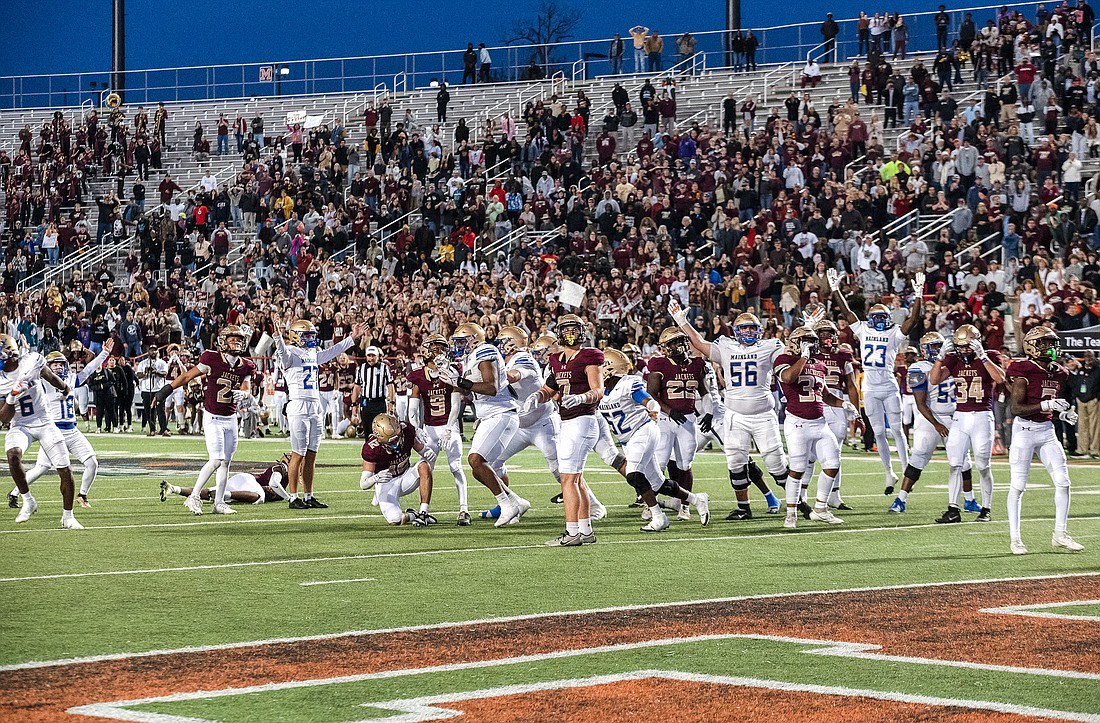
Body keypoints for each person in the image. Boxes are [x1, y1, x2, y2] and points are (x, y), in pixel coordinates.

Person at [669, 302, 787, 520]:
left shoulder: (770, 346)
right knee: (734, 462)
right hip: (730, 416)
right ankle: (742, 507)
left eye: (752, 328)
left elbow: (789, 357)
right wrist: (682, 322)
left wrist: (807, 331)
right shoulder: (726, 346)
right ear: (735, 331)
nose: (748, 332)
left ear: (759, 330)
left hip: (754, 414)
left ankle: (795, 501)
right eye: (744, 328)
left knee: (775, 463)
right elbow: (699, 342)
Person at [828, 268, 922, 494]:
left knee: (897, 430)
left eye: (882, 317)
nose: (879, 320)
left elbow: (912, 319)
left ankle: (905, 468)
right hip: (870, 387)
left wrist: (918, 295)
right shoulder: (862, 329)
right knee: (879, 432)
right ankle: (889, 472)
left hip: (888, 386)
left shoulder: (894, 332)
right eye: (876, 317)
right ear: (870, 318)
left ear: (888, 318)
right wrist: (835, 289)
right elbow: (846, 311)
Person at [598, 348, 709, 532]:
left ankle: (659, 517)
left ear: (609, 369)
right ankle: (697, 499)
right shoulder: (601, 390)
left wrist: (654, 410)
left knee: (634, 474)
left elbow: (649, 400)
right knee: (659, 483)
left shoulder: (627, 384)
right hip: (628, 441)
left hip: (643, 431)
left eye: (600, 366)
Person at [153, 326, 255, 515]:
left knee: (226, 463)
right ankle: (193, 497)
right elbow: (187, 376)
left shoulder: (246, 365)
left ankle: (219, 503)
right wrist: (165, 391)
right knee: (216, 460)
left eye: (239, 339)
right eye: (232, 339)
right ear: (223, 341)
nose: (237, 342)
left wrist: (245, 394)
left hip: (231, 418)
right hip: (213, 417)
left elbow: (247, 388)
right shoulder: (211, 359)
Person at [439, 323, 530, 527]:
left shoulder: (485, 351)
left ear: (474, 340)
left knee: (475, 460)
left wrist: (460, 382)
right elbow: (472, 392)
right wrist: (454, 381)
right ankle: (516, 501)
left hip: (501, 413)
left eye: (462, 341)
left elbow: (491, 387)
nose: (458, 346)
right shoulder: (469, 358)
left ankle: (506, 505)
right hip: (492, 415)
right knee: (478, 467)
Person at [526, 314, 604, 545]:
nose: (570, 333)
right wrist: (536, 397)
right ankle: (585, 531)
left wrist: (581, 398)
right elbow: (549, 389)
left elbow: (599, 390)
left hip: (583, 420)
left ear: (582, 332)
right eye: (566, 329)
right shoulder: (557, 359)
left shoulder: (590, 356)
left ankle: (572, 533)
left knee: (568, 480)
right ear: (559, 333)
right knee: (577, 480)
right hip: (567, 422)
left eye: (574, 329)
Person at [273, 319, 366, 510]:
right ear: (295, 336)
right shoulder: (289, 352)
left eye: (311, 335)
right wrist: (277, 336)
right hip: (298, 405)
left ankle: (309, 496)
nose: (310, 338)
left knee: (311, 455)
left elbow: (333, 351)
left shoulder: (312, 353)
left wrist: (352, 338)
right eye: (306, 335)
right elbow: (282, 352)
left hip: (315, 406)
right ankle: (293, 497)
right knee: (298, 454)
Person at [1006, 327, 1084, 554]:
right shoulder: (1023, 369)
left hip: (1047, 431)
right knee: (1018, 486)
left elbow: (1053, 407)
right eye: (1044, 343)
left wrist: (1064, 414)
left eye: (1052, 343)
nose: (1050, 348)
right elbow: (1016, 408)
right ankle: (1015, 538)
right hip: (1024, 430)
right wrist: (1047, 404)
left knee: (1063, 482)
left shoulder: (1059, 372)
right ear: (1031, 346)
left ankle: (1060, 534)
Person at [8, 342, 111, 510]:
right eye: (54, 365)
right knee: (42, 467)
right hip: (53, 431)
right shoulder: (43, 383)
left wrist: (104, 353)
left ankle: (82, 495)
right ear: (47, 367)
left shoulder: (71, 379)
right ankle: (14, 492)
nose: (58, 367)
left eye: (60, 364)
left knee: (92, 463)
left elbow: (89, 369)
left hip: (72, 430)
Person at [774, 327, 859, 528]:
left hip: (820, 423)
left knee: (832, 464)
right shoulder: (783, 360)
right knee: (797, 469)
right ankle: (791, 514)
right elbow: (788, 378)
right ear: (796, 343)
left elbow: (825, 395)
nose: (811, 345)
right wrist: (803, 357)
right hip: (797, 422)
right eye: (806, 341)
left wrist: (844, 404)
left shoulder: (819, 365)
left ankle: (821, 509)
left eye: (813, 341)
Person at [0, 334, 82, 529]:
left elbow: (49, 376)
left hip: (44, 421)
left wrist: (65, 388)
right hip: (20, 424)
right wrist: (12, 396)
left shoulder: (31, 361)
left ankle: (68, 516)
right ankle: (28, 501)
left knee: (64, 468)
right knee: (13, 455)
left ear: (9, 353)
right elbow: (4, 418)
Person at [889, 332, 976, 514]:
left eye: (940, 345)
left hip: (955, 417)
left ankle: (969, 500)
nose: (938, 349)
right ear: (924, 349)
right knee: (918, 457)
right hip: (929, 418)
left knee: (964, 461)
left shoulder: (954, 362)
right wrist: (937, 424)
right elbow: (920, 403)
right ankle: (900, 499)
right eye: (934, 346)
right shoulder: (918, 368)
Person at [928, 324, 1006, 524]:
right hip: (960, 416)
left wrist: (983, 356)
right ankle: (953, 509)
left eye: (967, 346)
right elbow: (934, 380)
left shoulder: (990, 355)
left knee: (983, 465)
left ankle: (986, 508)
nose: (964, 350)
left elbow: (1000, 378)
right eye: (960, 346)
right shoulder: (953, 359)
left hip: (982, 416)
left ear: (977, 342)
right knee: (955, 464)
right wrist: (940, 357)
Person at [647, 327, 712, 521]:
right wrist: (669, 410)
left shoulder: (696, 364)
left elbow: (704, 392)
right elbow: (651, 394)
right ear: (665, 347)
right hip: (665, 421)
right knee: (659, 463)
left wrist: (709, 412)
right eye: (674, 342)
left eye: (681, 340)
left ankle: (685, 505)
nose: (680, 345)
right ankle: (651, 504)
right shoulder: (659, 364)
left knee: (685, 464)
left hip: (687, 419)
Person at [407, 333, 470, 526]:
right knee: (425, 468)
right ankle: (423, 511)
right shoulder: (418, 375)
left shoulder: (451, 372)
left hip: (448, 426)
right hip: (429, 429)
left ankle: (464, 510)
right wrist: (416, 428)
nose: (438, 352)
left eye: (440, 348)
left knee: (456, 466)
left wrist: (449, 428)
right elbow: (412, 408)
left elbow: (456, 404)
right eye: (435, 348)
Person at [358, 413, 437, 526]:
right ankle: (413, 515)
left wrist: (427, 452)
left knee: (424, 466)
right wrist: (375, 478)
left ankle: (423, 513)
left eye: (397, 438)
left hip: (406, 476)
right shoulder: (371, 449)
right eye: (391, 442)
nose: (396, 443)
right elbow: (363, 484)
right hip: (386, 483)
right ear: (380, 439)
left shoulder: (406, 430)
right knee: (395, 519)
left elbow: (421, 449)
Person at [161, 454, 291, 506]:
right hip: (250, 481)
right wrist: (289, 498)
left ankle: (175, 489)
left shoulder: (286, 472)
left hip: (243, 482)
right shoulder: (282, 467)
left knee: (209, 491)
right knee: (259, 497)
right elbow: (273, 483)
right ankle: (223, 495)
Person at [136, 345, 169, 436]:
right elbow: (138, 375)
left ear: (157, 351)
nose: (153, 352)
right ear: (148, 352)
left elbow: (165, 373)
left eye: (155, 350)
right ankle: (152, 429)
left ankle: (164, 429)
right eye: (151, 350)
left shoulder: (162, 362)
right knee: (149, 411)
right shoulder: (143, 363)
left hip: (159, 389)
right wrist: (145, 372)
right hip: (146, 389)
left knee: (160, 410)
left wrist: (156, 372)